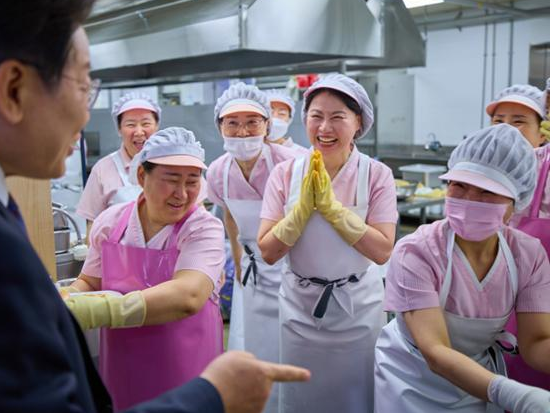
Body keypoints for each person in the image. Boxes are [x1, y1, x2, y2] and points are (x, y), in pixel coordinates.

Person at [0, 0, 310, 412]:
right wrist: (213, 396)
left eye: (192, 181)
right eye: (85, 87)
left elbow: (189, 295)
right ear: (13, 88)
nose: (86, 115)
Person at [375, 123, 550, 413]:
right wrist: (515, 395)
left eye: (487, 192)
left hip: (478, 379)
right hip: (410, 380)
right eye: (459, 185)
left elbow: (536, 343)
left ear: (516, 201)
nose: (469, 200)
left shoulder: (528, 255)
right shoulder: (416, 251)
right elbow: (436, 351)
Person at [258, 73, 398, 413]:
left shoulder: (375, 174)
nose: (325, 128)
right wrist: (300, 212)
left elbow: (382, 251)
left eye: (338, 117)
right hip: (299, 310)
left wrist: (334, 211)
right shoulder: (285, 174)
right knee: (301, 397)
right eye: (316, 116)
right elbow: (268, 251)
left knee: (356, 397)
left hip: (358, 310)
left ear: (359, 122)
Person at [64, 127, 226, 410]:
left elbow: (188, 296)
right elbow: (90, 281)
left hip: (184, 363)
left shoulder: (203, 228)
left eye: (192, 181)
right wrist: (66, 299)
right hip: (123, 361)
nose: (182, 193)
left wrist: (101, 310)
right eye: (171, 180)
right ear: (142, 176)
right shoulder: (111, 222)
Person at [206, 82, 301, 413]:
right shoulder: (218, 172)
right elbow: (230, 217)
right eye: (232, 123)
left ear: (267, 126)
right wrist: (237, 261)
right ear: (220, 126)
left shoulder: (291, 163)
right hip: (252, 270)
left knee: (291, 346)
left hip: (293, 269)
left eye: (252, 122)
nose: (242, 131)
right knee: (257, 343)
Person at [487, 84, 550, 391]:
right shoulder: (496, 176)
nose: (507, 131)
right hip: (510, 300)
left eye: (519, 121)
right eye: (499, 121)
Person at [77, 93, 161, 239]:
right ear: (119, 130)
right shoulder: (102, 169)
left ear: (157, 127)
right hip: (117, 253)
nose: (139, 132)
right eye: (130, 125)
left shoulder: (174, 163)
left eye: (146, 123)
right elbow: (93, 225)